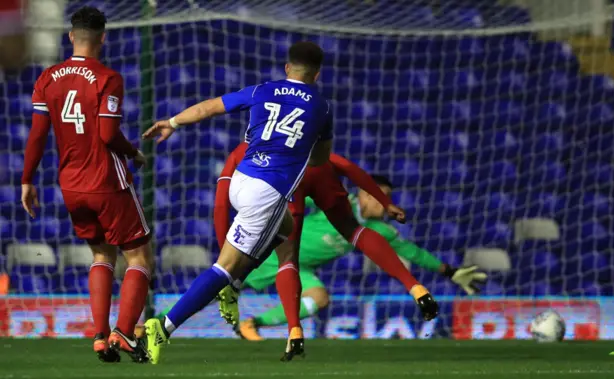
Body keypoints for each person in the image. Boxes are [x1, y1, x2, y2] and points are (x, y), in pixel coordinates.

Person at [142, 41, 382, 363]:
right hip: (266, 193)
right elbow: (319, 160)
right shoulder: (322, 107)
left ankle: (233, 285)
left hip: (241, 181)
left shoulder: (262, 90)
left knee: (285, 225)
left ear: (287, 67)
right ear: (318, 74)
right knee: (224, 267)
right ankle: (164, 326)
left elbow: (208, 107)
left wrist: (171, 123)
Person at [21, 6, 152, 363]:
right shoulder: (107, 77)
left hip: (71, 185)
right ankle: (124, 334)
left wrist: (27, 180)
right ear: (103, 37)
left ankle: (98, 335)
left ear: (71, 36)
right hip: (106, 181)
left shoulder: (48, 77)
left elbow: (36, 134)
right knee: (140, 256)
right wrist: (134, 153)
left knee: (100, 254)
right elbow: (108, 133)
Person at [209, 142, 441, 332]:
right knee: (217, 288)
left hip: (300, 267)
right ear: (365, 195)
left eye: (387, 197)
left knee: (319, 298)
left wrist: (448, 270)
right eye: (381, 196)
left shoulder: (379, 230)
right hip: (271, 254)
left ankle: (252, 324)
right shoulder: (336, 200)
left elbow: (413, 252)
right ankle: (173, 318)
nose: (384, 203)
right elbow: (297, 197)